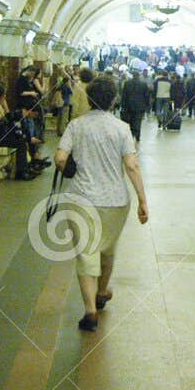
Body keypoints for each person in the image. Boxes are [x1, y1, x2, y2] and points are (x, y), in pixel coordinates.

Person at [53, 76, 150, 333]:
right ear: (114, 100)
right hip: (116, 201)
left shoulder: (76, 126)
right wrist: (142, 199)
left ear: (89, 97)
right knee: (107, 249)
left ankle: (90, 312)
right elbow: (131, 165)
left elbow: (60, 158)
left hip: (82, 198)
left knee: (86, 252)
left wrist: (72, 169)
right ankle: (102, 292)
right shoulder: (122, 128)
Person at [0, 85, 41, 179]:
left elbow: (6, 118)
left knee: (22, 138)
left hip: (1, 135)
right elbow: (3, 121)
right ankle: (22, 171)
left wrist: (3, 106)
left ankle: (26, 167)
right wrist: (3, 107)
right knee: (21, 142)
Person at [119, 70, 151, 142]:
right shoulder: (143, 84)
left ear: (133, 76)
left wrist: (122, 105)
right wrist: (147, 106)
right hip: (140, 106)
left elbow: (124, 95)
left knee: (130, 121)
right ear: (138, 76)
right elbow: (146, 96)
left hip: (128, 106)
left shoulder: (127, 83)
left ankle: (131, 135)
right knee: (138, 121)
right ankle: (137, 136)